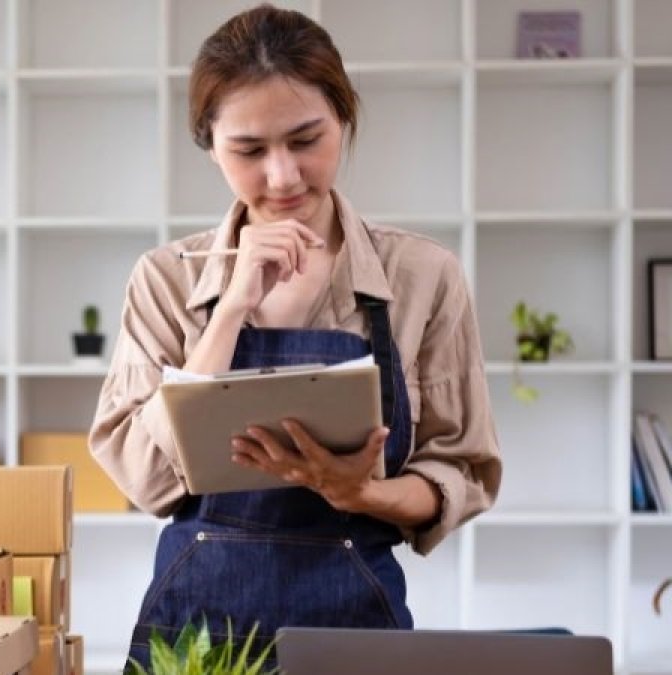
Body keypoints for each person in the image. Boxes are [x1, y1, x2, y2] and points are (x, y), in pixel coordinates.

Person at [87, 4, 503, 670]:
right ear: (210, 144)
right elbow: (145, 482)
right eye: (249, 151)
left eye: (307, 139)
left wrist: (359, 492)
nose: (282, 176)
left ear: (345, 118)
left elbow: (461, 468)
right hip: (197, 634)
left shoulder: (423, 276)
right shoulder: (166, 280)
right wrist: (228, 311)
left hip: (354, 630)